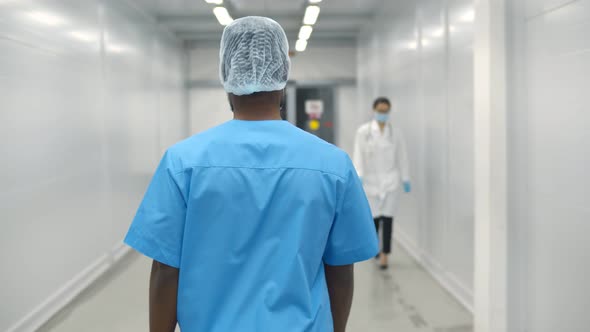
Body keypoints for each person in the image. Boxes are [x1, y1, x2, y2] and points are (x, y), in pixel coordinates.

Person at [124, 17, 378, 332]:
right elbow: (340, 269)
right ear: (283, 74)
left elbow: (165, 269)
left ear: (226, 75)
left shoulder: (183, 163)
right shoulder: (333, 165)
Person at [353, 97, 411, 270]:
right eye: (380, 111)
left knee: (388, 217)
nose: (383, 114)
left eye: (386, 112)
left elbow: (403, 156)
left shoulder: (396, 133)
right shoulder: (364, 132)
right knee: (374, 218)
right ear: (374, 110)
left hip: (391, 181)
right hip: (371, 181)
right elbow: (358, 154)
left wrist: (405, 178)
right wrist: (359, 175)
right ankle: (375, 249)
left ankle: (385, 254)